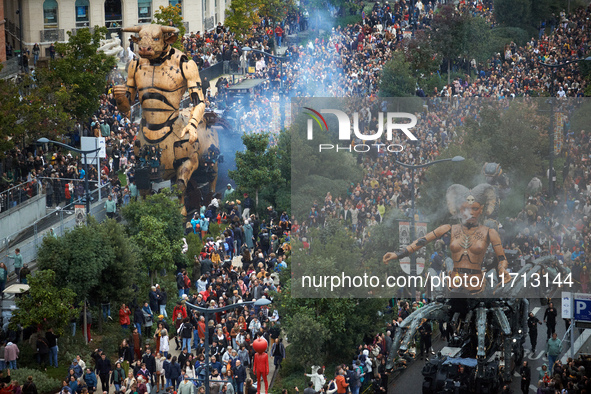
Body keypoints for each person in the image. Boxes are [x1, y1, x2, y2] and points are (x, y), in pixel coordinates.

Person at [383, 184, 511, 294]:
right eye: (465, 208)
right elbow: (422, 241)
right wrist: (398, 254)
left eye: (474, 208)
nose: (470, 213)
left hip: (477, 286)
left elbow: (502, 259)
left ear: (481, 209)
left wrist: (502, 269)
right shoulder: (449, 228)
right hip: (453, 285)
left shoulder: (490, 232)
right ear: (459, 210)